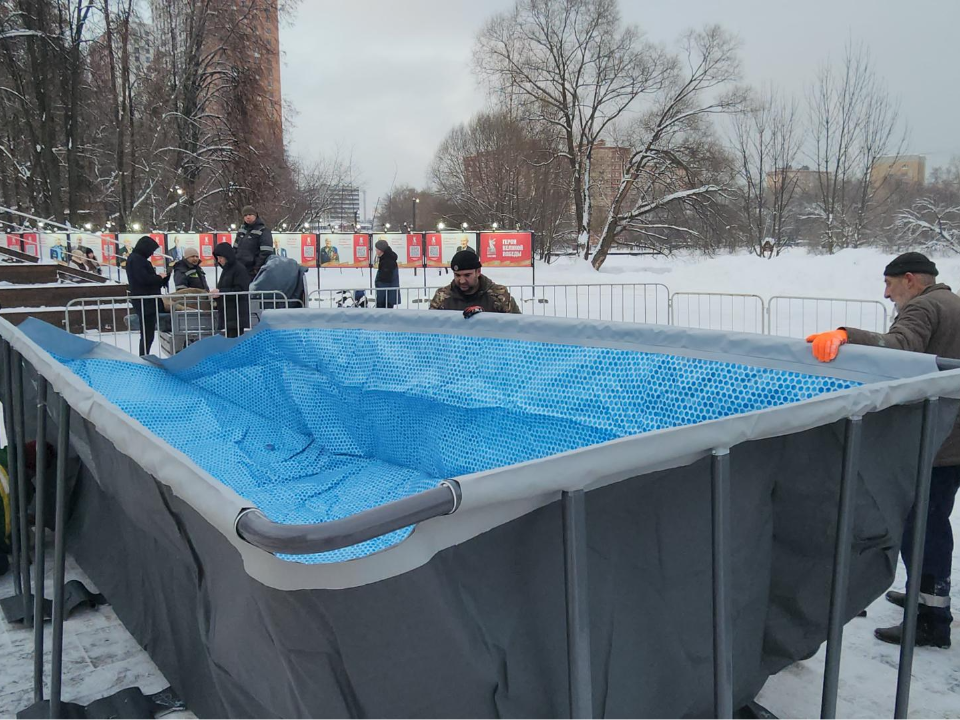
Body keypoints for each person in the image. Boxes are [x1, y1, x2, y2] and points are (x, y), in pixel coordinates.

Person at [806, 252, 960, 649]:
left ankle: (931, 618)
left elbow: (898, 348)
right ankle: (923, 596)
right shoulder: (953, 303)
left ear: (910, 279)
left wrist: (846, 335)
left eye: (890, 284)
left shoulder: (925, 307)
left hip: (938, 439)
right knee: (927, 520)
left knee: (923, 527)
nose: (887, 294)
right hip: (952, 436)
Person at [428, 250, 520, 314]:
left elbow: (518, 326)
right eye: (457, 275)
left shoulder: (499, 296)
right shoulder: (442, 297)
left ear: (478, 272)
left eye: (467, 275)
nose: (462, 281)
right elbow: (430, 327)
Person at [126, 235, 170, 355]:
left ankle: (144, 355)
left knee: (148, 333)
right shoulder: (136, 260)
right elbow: (143, 279)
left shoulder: (136, 259)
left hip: (146, 300)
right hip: (145, 301)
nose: (151, 253)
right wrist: (158, 277)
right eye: (150, 250)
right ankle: (144, 356)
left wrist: (162, 280)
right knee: (147, 333)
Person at [211, 242, 250, 337]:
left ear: (227, 256)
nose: (219, 260)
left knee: (234, 343)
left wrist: (221, 292)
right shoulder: (227, 270)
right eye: (217, 258)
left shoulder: (238, 269)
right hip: (229, 315)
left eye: (220, 257)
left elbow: (241, 290)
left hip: (236, 315)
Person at [234, 204, 274, 280]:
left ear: (255, 215)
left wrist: (256, 268)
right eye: (245, 215)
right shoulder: (242, 231)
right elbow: (235, 248)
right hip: (239, 269)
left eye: (250, 214)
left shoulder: (263, 231)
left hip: (253, 271)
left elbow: (266, 252)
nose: (247, 217)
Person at [374, 239, 400, 308]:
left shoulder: (387, 261)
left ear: (380, 250)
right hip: (387, 294)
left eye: (376, 249)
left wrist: (378, 284)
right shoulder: (387, 258)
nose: (376, 251)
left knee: (384, 312)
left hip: (385, 295)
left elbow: (385, 280)